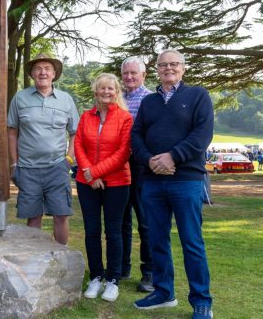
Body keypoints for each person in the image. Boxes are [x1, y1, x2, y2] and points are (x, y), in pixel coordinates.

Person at [131, 49, 214, 319]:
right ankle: (164, 292)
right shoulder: (149, 102)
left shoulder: (198, 95)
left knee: (192, 242)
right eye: (163, 64)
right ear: (156, 69)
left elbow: (202, 135)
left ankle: (202, 301)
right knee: (157, 240)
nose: (169, 68)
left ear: (183, 68)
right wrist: (149, 160)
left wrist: (172, 156)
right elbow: (137, 135)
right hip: (153, 182)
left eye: (174, 64)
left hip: (186, 181)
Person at [7, 53, 79, 246]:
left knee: (61, 215)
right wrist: (14, 163)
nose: (43, 72)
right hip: (28, 169)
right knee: (33, 217)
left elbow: (75, 133)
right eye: (38, 69)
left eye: (47, 69)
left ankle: (63, 260)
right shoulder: (20, 98)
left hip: (57, 168)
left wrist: (69, 159)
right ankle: (34, 262)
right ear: (31, 74)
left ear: (54, 74)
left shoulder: (65, 100)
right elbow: (12, 132)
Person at [74, 73, 133, 302]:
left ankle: (113, 280)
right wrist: (90, 175)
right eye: (102, 89)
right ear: (96, 92)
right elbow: (78, 143)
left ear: (117, 92)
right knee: (91, 231)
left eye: (111, 89)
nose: (106, 92)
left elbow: (123, 152)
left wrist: (96, 172)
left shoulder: (125, 118)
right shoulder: (86, 116)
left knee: (113, 231)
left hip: (117, 182)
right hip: (87, 182)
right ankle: (96, 276)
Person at [120, 56, 154, 292]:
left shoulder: (151, 99)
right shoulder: (117, 98)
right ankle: (121, 267)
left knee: (146, 222)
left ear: (143, 75)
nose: (129, 77)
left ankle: (149, 272)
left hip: (142, 164)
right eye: (126, 74)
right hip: (119, 164)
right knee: (121, 219)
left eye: (134, 73)